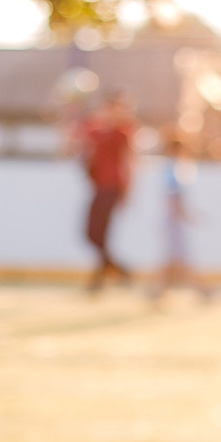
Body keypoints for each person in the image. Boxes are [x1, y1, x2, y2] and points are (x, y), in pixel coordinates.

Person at [76, 89, 136, 293]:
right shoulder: (96, 130)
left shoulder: (123, 132)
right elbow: (79, 143)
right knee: (91, 234)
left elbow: (130, 163)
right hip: (99, 187)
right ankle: (118, 269)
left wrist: (128, 191)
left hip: (113, 187)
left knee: (101, 234)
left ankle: (98, 280)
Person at [151, 125, 208, 306]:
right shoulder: (173, 169)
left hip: (172, 219)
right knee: (179, 257)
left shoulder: (172, 168)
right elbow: (174, 198)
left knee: (173, 257)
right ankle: (202, 289)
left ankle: (157, 291)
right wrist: (185, 215)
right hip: (173, 220)